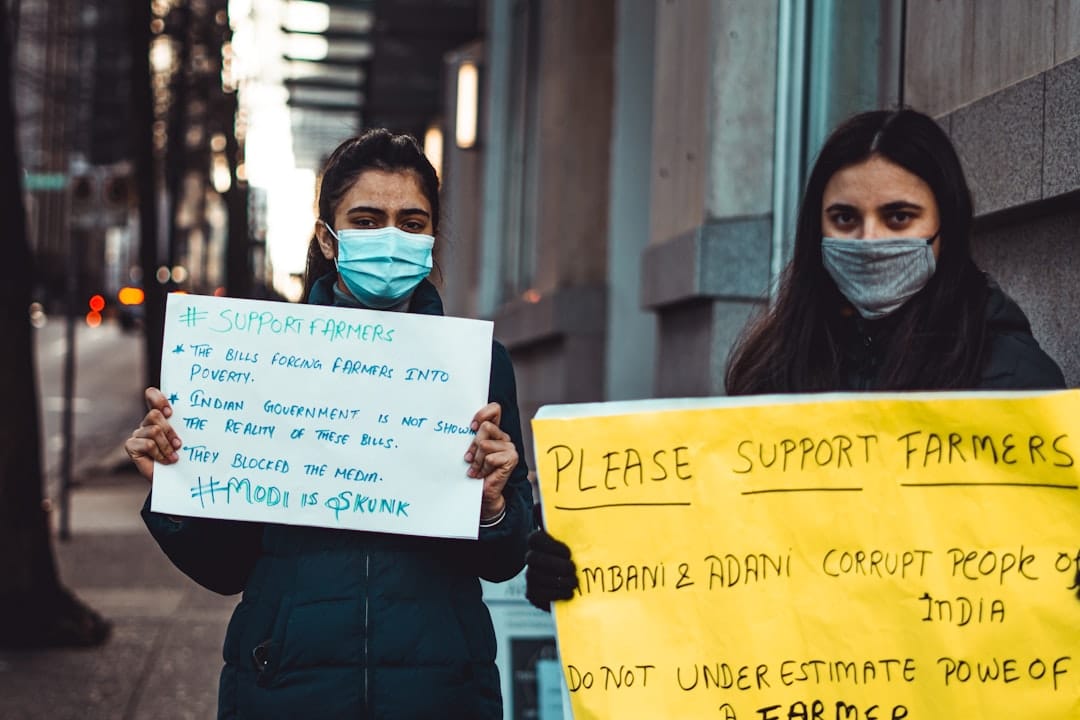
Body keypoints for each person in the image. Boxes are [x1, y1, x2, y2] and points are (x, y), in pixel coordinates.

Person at [524, 108, 1066, 611]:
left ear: (946, 226)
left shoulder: (1009, 378)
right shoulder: (776, 368)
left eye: (899, 217)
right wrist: (586, 569)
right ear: (817, 230)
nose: (869, 239)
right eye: (845, 218)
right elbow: (714, 549)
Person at [125, 128, 534, 718]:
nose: (391, 238)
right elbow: (226, 569)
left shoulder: (477, 368)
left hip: (438, 691)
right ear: (329, 236)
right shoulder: (260, 362)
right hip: (287, 685)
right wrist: (176, 487)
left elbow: (503, 562)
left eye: (412, 223)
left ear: (432, 237)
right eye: (367, 220)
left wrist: (494, 505)